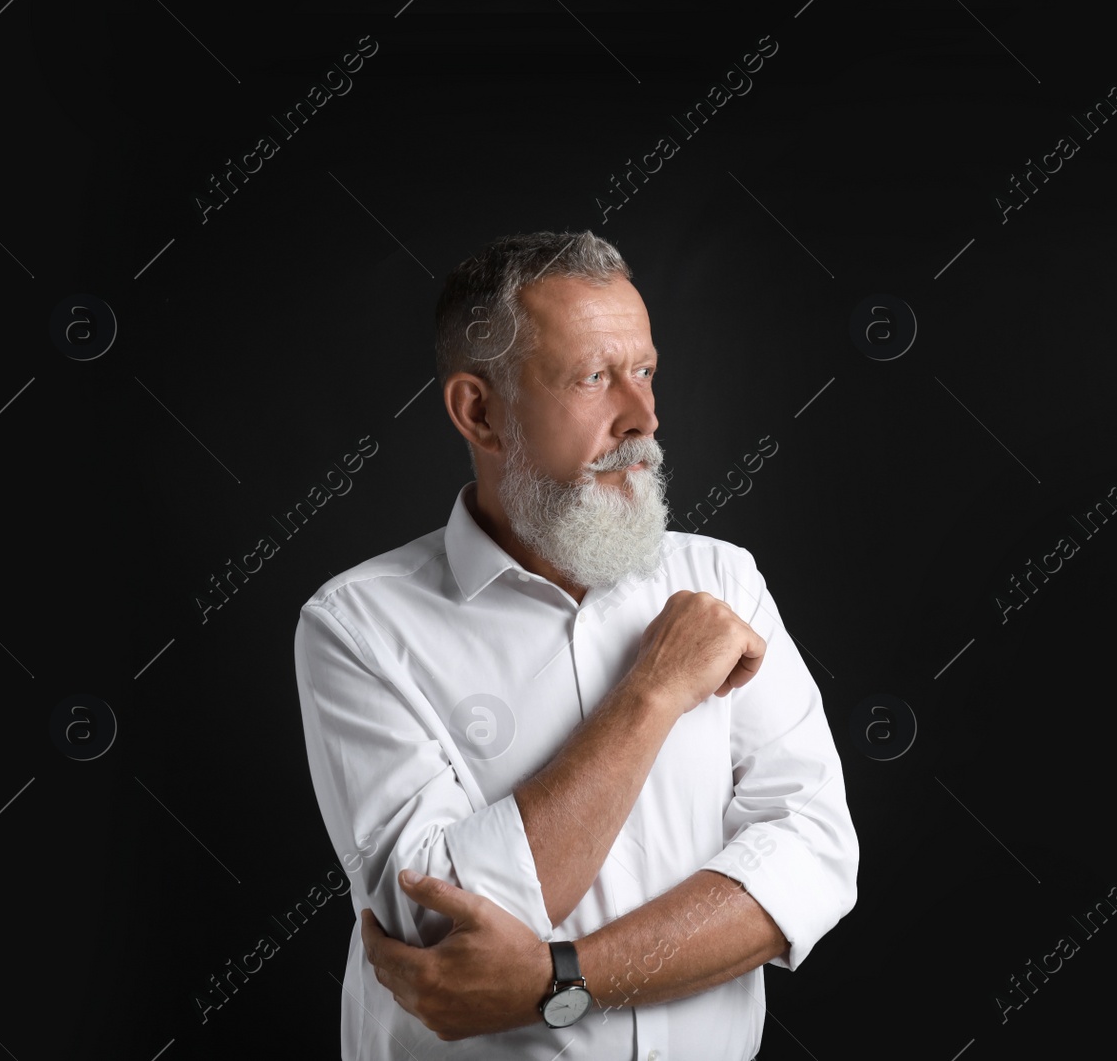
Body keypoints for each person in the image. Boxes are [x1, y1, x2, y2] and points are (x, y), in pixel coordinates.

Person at [293, 230, 859, 1059]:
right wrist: (653, 690)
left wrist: (563, 977)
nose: (644, 417)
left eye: (646, 371)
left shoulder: (723, 578)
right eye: (595, 378)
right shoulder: (358, 625)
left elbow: (812, 855)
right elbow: (438, 925)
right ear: (479, 411)